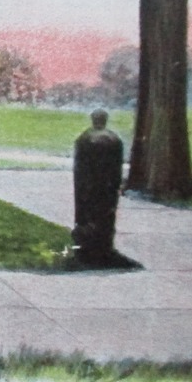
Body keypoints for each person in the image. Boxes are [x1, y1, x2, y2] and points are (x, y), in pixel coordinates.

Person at [72, 108, 124, 265]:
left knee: (85, 213)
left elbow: (79, 165)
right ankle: (104, 246)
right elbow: (117, 166)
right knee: (106, 214)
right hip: (107, 185)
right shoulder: (114, 139)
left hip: (87, 184)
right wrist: (116, 183)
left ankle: (86, 247)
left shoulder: (84, 138)